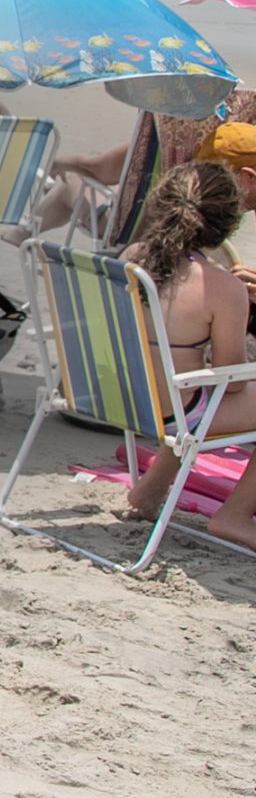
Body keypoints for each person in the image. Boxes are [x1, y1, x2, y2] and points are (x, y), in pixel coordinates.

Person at [115, 163, 256, 545]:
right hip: (175, 412)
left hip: (122, 399)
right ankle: (236, 515)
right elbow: (231, 385)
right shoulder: (223, 288)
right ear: (227, 223)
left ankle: (147, 493)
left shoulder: (131, 257)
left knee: (184, 390)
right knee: (194, 398)